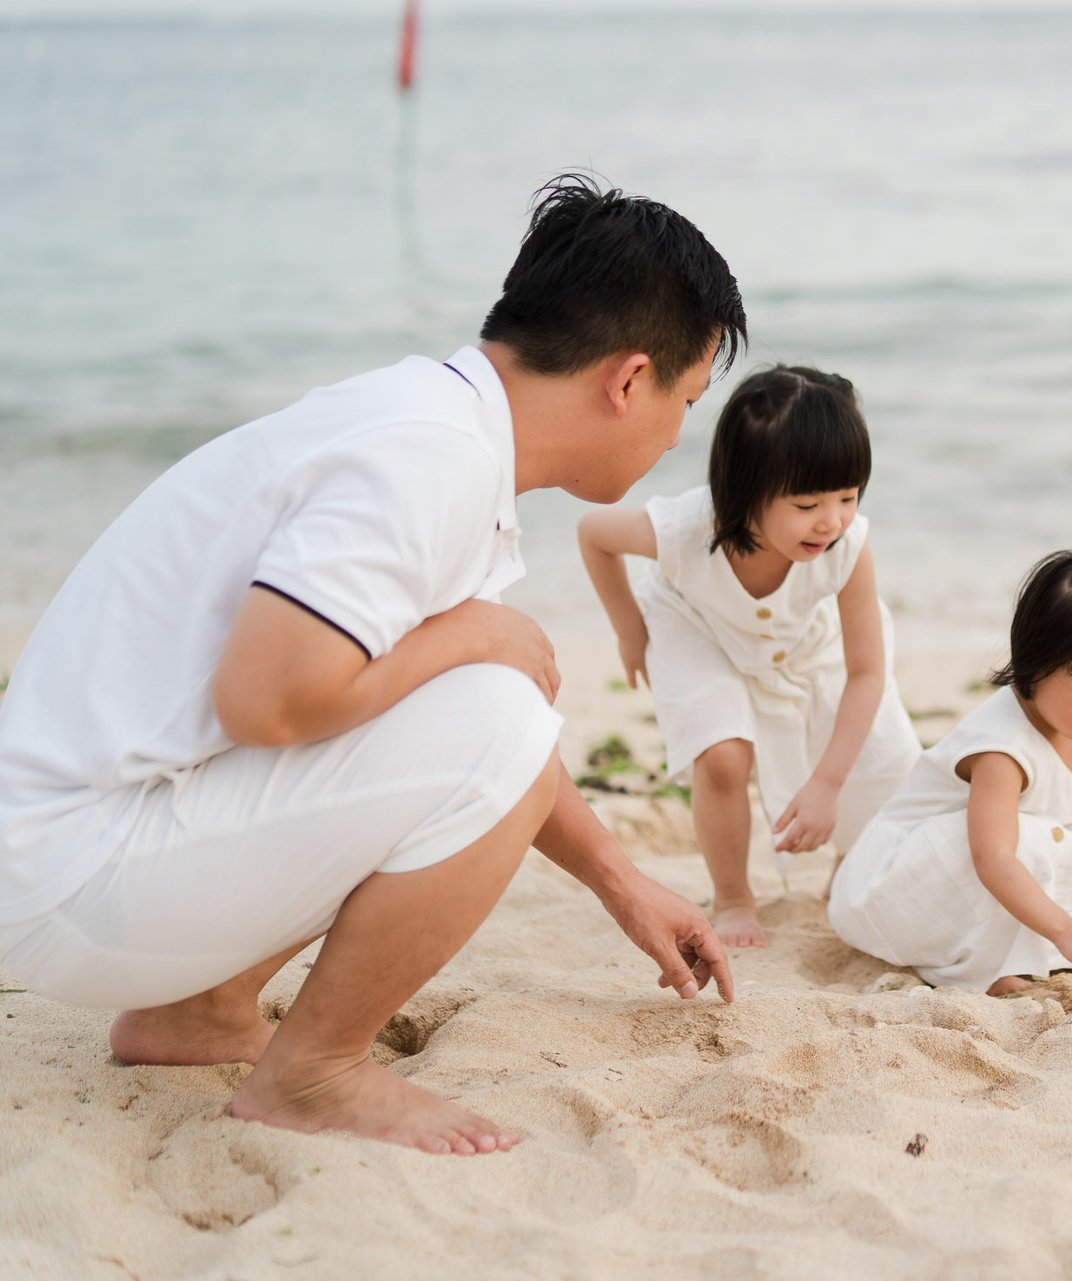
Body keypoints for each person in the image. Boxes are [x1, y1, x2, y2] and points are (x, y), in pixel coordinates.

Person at [0, 173, 745, 1155]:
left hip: (75, 849)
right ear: (627, 379)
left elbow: (428, 733)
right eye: (686, 401)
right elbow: (269, 699)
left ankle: (197, 1012)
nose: (676, 432)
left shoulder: (433, 427)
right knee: (498, 704)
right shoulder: (426, 458)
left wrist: (619, 879)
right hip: (74, 872)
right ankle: (312, 1073)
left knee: (485, 697)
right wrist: (479, 636)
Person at [578, 366, 921, 948]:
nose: (832, 520)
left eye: (847, 496)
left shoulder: (848, 546)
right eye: (807, 502)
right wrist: (628, 630)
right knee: (723, 757)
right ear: (743, 493)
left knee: (882, 765)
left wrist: (825, 785)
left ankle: (847, 868)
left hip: (811, 648)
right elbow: (594, 532)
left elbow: (867, 672)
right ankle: (734, 897)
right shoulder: (686, 530)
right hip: (697, 628)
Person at [830, 550, 1072, 994]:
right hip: (893, 889)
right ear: (1036, 660)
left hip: (959, 872)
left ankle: (1036, 952)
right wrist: (1065, 930)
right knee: (1027, 839)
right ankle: (976, 968)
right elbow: (993, 859)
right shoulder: (1000, 750)